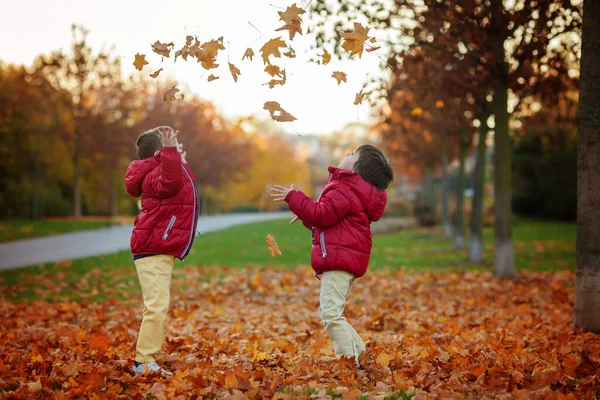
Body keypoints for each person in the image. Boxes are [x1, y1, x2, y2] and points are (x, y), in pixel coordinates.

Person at [271, 144, 393, 366]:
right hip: (344, 261)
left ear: (356, 170)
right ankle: (363, 357)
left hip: (339, 262)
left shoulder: (343, 189)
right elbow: (327, 222)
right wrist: (304, 213)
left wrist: (293, 198)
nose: (346, 154)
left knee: (330, 315)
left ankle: (348, 363)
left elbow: (321, 214)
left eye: (351, 154)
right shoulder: (349, 190)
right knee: (333, 314)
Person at [124, 126, 200, 376]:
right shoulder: (156, 174)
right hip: (152, 249)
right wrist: (172, 156)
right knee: (156, 306)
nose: (177, 148)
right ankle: (143, 362)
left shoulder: (162, 169)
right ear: (160, 151)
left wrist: (179, 161)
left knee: (158, 305)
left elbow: (182, 192)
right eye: (172, 144)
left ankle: (146, 358)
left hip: (158, 248)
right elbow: (170, 185)